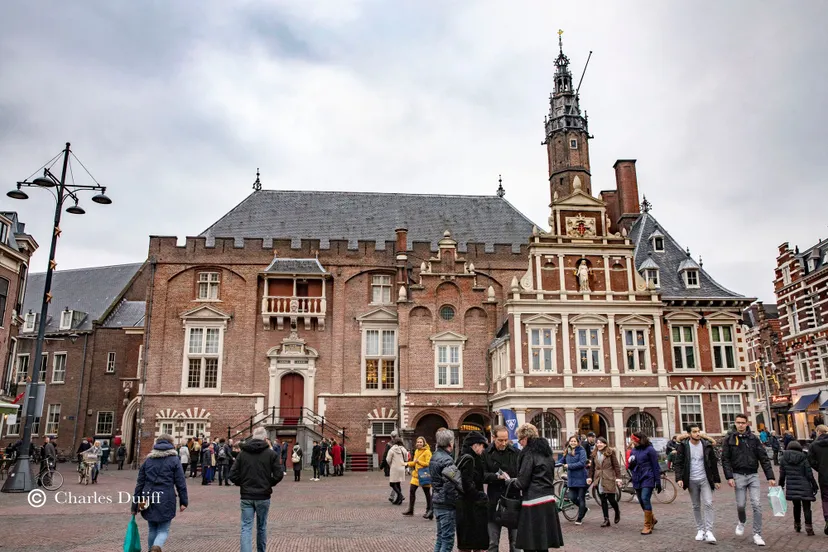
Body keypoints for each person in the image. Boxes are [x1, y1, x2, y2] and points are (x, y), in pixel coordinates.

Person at [721, 413, 776, 546]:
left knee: (756, 504)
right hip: (738, 475)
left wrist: (770, 476)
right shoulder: (729, 439)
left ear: (747, 424)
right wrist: (729, 476)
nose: (740, 425)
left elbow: (763, 458)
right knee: (741, 505)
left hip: (753, 475)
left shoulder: (753, 439)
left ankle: (757, 533)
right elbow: (725, 459)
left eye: (742, 422)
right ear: (735, 423)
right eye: (738, 422)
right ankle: (742, 521)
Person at [228, 427, 284, 552]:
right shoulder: (271, 454)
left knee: (246, 527)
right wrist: (269, 483)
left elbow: (232, 475)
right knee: (262, 527)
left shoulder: (243, 454)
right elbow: (278, 474)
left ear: (252, 437)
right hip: (263, 496)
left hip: (247, 495)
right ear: (265, 439)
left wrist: (243, 483)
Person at [512, 423, 564, 550]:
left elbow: (522, 482)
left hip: (532, 500)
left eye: (520, 441)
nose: (520, 444)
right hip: (548, 499)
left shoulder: (529, 454)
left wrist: (511, 482)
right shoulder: (547, 453)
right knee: (543, 541)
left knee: (529, 542)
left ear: (525, 438)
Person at [131, 434, 188, 550]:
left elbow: (140, 484)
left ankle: (151, 549)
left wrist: (134, 505)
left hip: (148, 497)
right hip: (166, 497)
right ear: (171, 444)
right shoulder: (174, 460)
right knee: (163, 529)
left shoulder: (148, 460)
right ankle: (156, 547)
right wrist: (184, 501)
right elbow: (180, 482)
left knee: (152, 528)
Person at [673, 424, 721, 543]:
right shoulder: (683, 446)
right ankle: (700, 529)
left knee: (709, 503)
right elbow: (678, 463)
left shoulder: (706, 445)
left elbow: (713, 463)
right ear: (689, 434)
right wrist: (679, 478)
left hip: (705, 478)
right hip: (691, 479)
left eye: (699, 431)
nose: (697, 434)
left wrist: (716, 480)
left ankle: (709, 531)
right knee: (696, 505)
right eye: (694, 432)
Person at [482, 425, 519, 551]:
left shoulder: (515, 453)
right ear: (493, 438)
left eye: (506, 440)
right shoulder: (486, 453)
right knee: (493, 543)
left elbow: (522, 474)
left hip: (513, 500)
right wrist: (496, 477)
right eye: (500, 440)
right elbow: (482, 475)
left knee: (515, 543)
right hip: (494, 501)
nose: (504, 443)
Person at [430, 428, 464, 552]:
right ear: (450, 443)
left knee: (440, 538)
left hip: (437, 501)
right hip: (446, 503)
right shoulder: (447, 460)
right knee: (447, 540)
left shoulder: (435, 456)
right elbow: (451, 483)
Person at [455, 431, 489, 552]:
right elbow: (467, 484)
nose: (483, 448)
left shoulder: (463, 457)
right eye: (482, 445)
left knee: (468, 542)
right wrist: (481, 496)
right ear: (475, 445)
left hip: (466, 506)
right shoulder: (470, 459)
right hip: (471, 507)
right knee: (473, 542)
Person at [779, 440, 818, 536]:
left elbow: (782, 474)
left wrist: (781, 485)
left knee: (796, 506)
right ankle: (809, 528)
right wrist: (814, 485)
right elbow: (809, 474)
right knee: (807, 508)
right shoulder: (804, 457)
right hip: (805, 485)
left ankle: (797, 524)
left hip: (792, 485)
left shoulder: (784, 458)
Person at [628, 432, 660, 535]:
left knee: (645, 497)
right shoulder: (633, 450)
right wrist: (631, 464)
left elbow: (655, 466)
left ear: (638, 440)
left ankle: (647, 525)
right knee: (641, 500)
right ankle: (652, 519)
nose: (632, 442)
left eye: (633, 440)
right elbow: (632, 466)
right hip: (637, 477)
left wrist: (658, 481)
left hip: (648, 476)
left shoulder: (650, 450)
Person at [587, 436, 622, 528]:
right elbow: (592, 468)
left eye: (601, 443)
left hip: (608, 477)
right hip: (598, 478)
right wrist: (590, 477)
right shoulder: (594, 453)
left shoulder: (610, 453)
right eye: (597, 443)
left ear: (605, 444)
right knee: (602, 499)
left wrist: (618, 478)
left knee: (611, 499)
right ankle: (606, 519)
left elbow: (616, 466)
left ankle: (617, 511)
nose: (599, 444)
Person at [403, 436, 433, 518]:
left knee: (427, 493)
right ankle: (410, 510)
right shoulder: (416, 451)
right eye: (418, 442)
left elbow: (428, 463)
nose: (419, 443)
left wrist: (419, 461)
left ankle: (429, 510)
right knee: (412, 491)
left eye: (421, 442)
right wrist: (407, 464)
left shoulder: (427, 452)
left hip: (424, 475)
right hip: (416, 475)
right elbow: (414, 462)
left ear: (424, 443)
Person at [562, 434, 589, 525]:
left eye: (574, 441)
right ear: (569, 442)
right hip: (572, 479)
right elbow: (562, 460)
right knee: (572, 497)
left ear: (578, 443)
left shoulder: (582, 451)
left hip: (581, 477)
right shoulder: (567, 451)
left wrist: (569, 466)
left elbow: (582, 463)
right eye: (571, 441)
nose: (573, 443)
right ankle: (584, 509)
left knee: (581, 498)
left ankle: (579, 518)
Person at [807, 424, 828, 535]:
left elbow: (811, 460)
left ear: (818, 432)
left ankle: (827, 518)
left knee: (825, 498)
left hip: (824, 476)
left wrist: (819, 468)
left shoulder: (814, 445)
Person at [386, 436, 408, 505]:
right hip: (401, 467)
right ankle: (398, 501)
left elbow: (388, 459)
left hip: (394, 468)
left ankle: (400, 495)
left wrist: (391, 465)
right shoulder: (403, 449)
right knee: (398, 483)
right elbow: (406, 458)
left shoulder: (392, 449)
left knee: (392, 483)